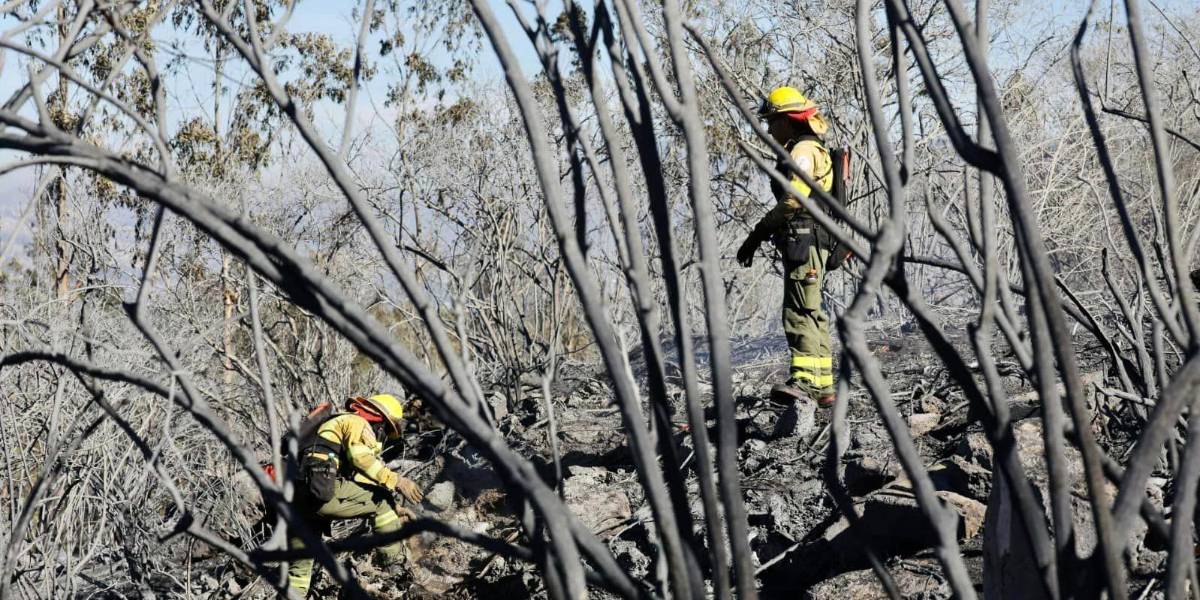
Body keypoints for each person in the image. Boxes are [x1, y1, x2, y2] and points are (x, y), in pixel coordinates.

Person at [736, 86, 842, 408]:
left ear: (787, 120)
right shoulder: (812, 147)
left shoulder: (804, 151)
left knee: (798, 312)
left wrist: (758, 232)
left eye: (772, 122)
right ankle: (823, 385)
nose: (770, 130)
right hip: (813, 239)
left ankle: (805, 382)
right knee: (812, 311)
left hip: (804, 240)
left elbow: (794, 199)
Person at [286, 393, 424, 595]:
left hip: (298, 498)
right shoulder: (357, 422)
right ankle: (395, 568)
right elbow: (362, 460)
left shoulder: (335, 424)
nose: (383, 436)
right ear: (380, 421)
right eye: (386, 429)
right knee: (382, 501)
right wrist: (398, 481)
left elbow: (359, 481)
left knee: (299, 570)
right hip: (321, 489)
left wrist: (395, 507)